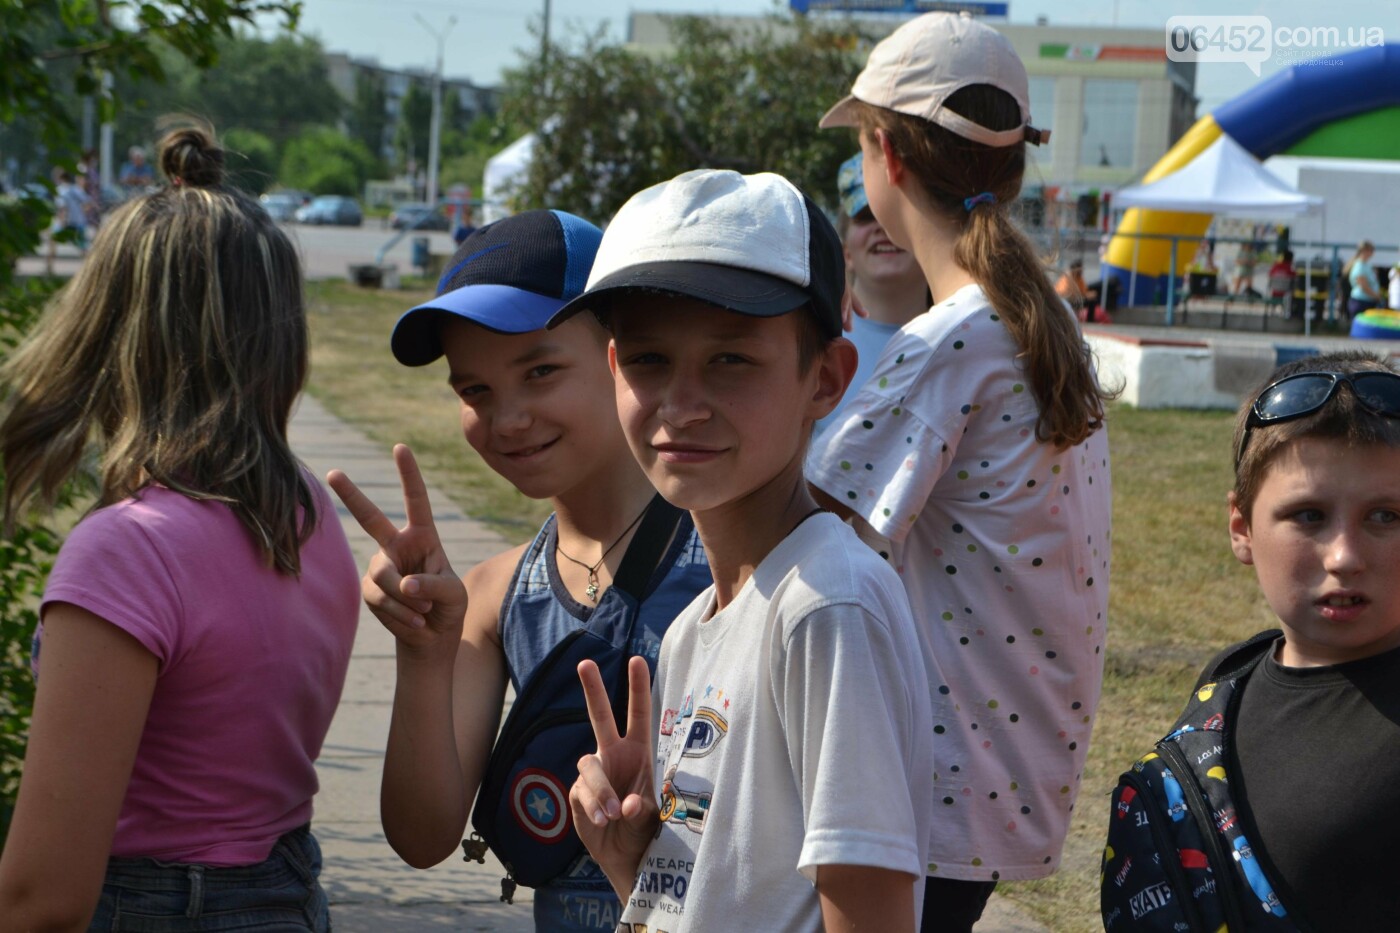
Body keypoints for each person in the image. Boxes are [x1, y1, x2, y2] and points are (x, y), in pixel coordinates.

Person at [557, 169, 935, 929]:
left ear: (825, 378)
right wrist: (633, 854)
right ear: (613, 371)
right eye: (648, 360)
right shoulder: (699, 623)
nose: (682, 404)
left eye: (731, 360)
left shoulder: (826, 606)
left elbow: (869, 913)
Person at [0, 127, 359, 929]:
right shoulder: (303, 509)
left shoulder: (127, 551)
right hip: (287, 894)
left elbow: (41, 899)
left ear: (109, 328)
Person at [810, 12, 1116, 932]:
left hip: (921, 787)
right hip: (992, 781)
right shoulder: (1037, 328)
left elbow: (804, 532)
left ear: (884, 154)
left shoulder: (951, 342)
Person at [325, 209, 713, 933]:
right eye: (475, 391)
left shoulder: (729, 553)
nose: (505, 419)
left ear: (621, 351)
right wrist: (423, 650)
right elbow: (422, 833)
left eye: (539, 371)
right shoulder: (494, 594)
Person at [1193, 350, 1400, 930]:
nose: (1345, 557)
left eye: (1385, 516)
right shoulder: (1225, 684)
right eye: (1309, 516)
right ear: (1242, 529)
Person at [818, 152, 931, 433]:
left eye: (895, 212)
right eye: (866, 216)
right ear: (846, 252)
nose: (882, 227)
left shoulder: (968, 337)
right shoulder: (813, 338)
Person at [1055, 258, 1106, 323]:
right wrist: (1082, 295)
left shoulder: (1079, 278)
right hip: (1066, 300)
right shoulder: (1067, 277)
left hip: (1077, 299)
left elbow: (1084, 291)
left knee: (1092, 301)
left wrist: (1089, 295)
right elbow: (1066, 293)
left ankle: (1090, 321)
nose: (1081, 272)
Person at [1345, 239, 1382, 318]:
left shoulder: (1367, 264)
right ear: (1364, 251)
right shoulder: (1360, 266)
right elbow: (1363, 286)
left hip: (1368, 301)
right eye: (1370, 250)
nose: (1372, 253)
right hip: (1360, 302)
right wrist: (1376, 296)